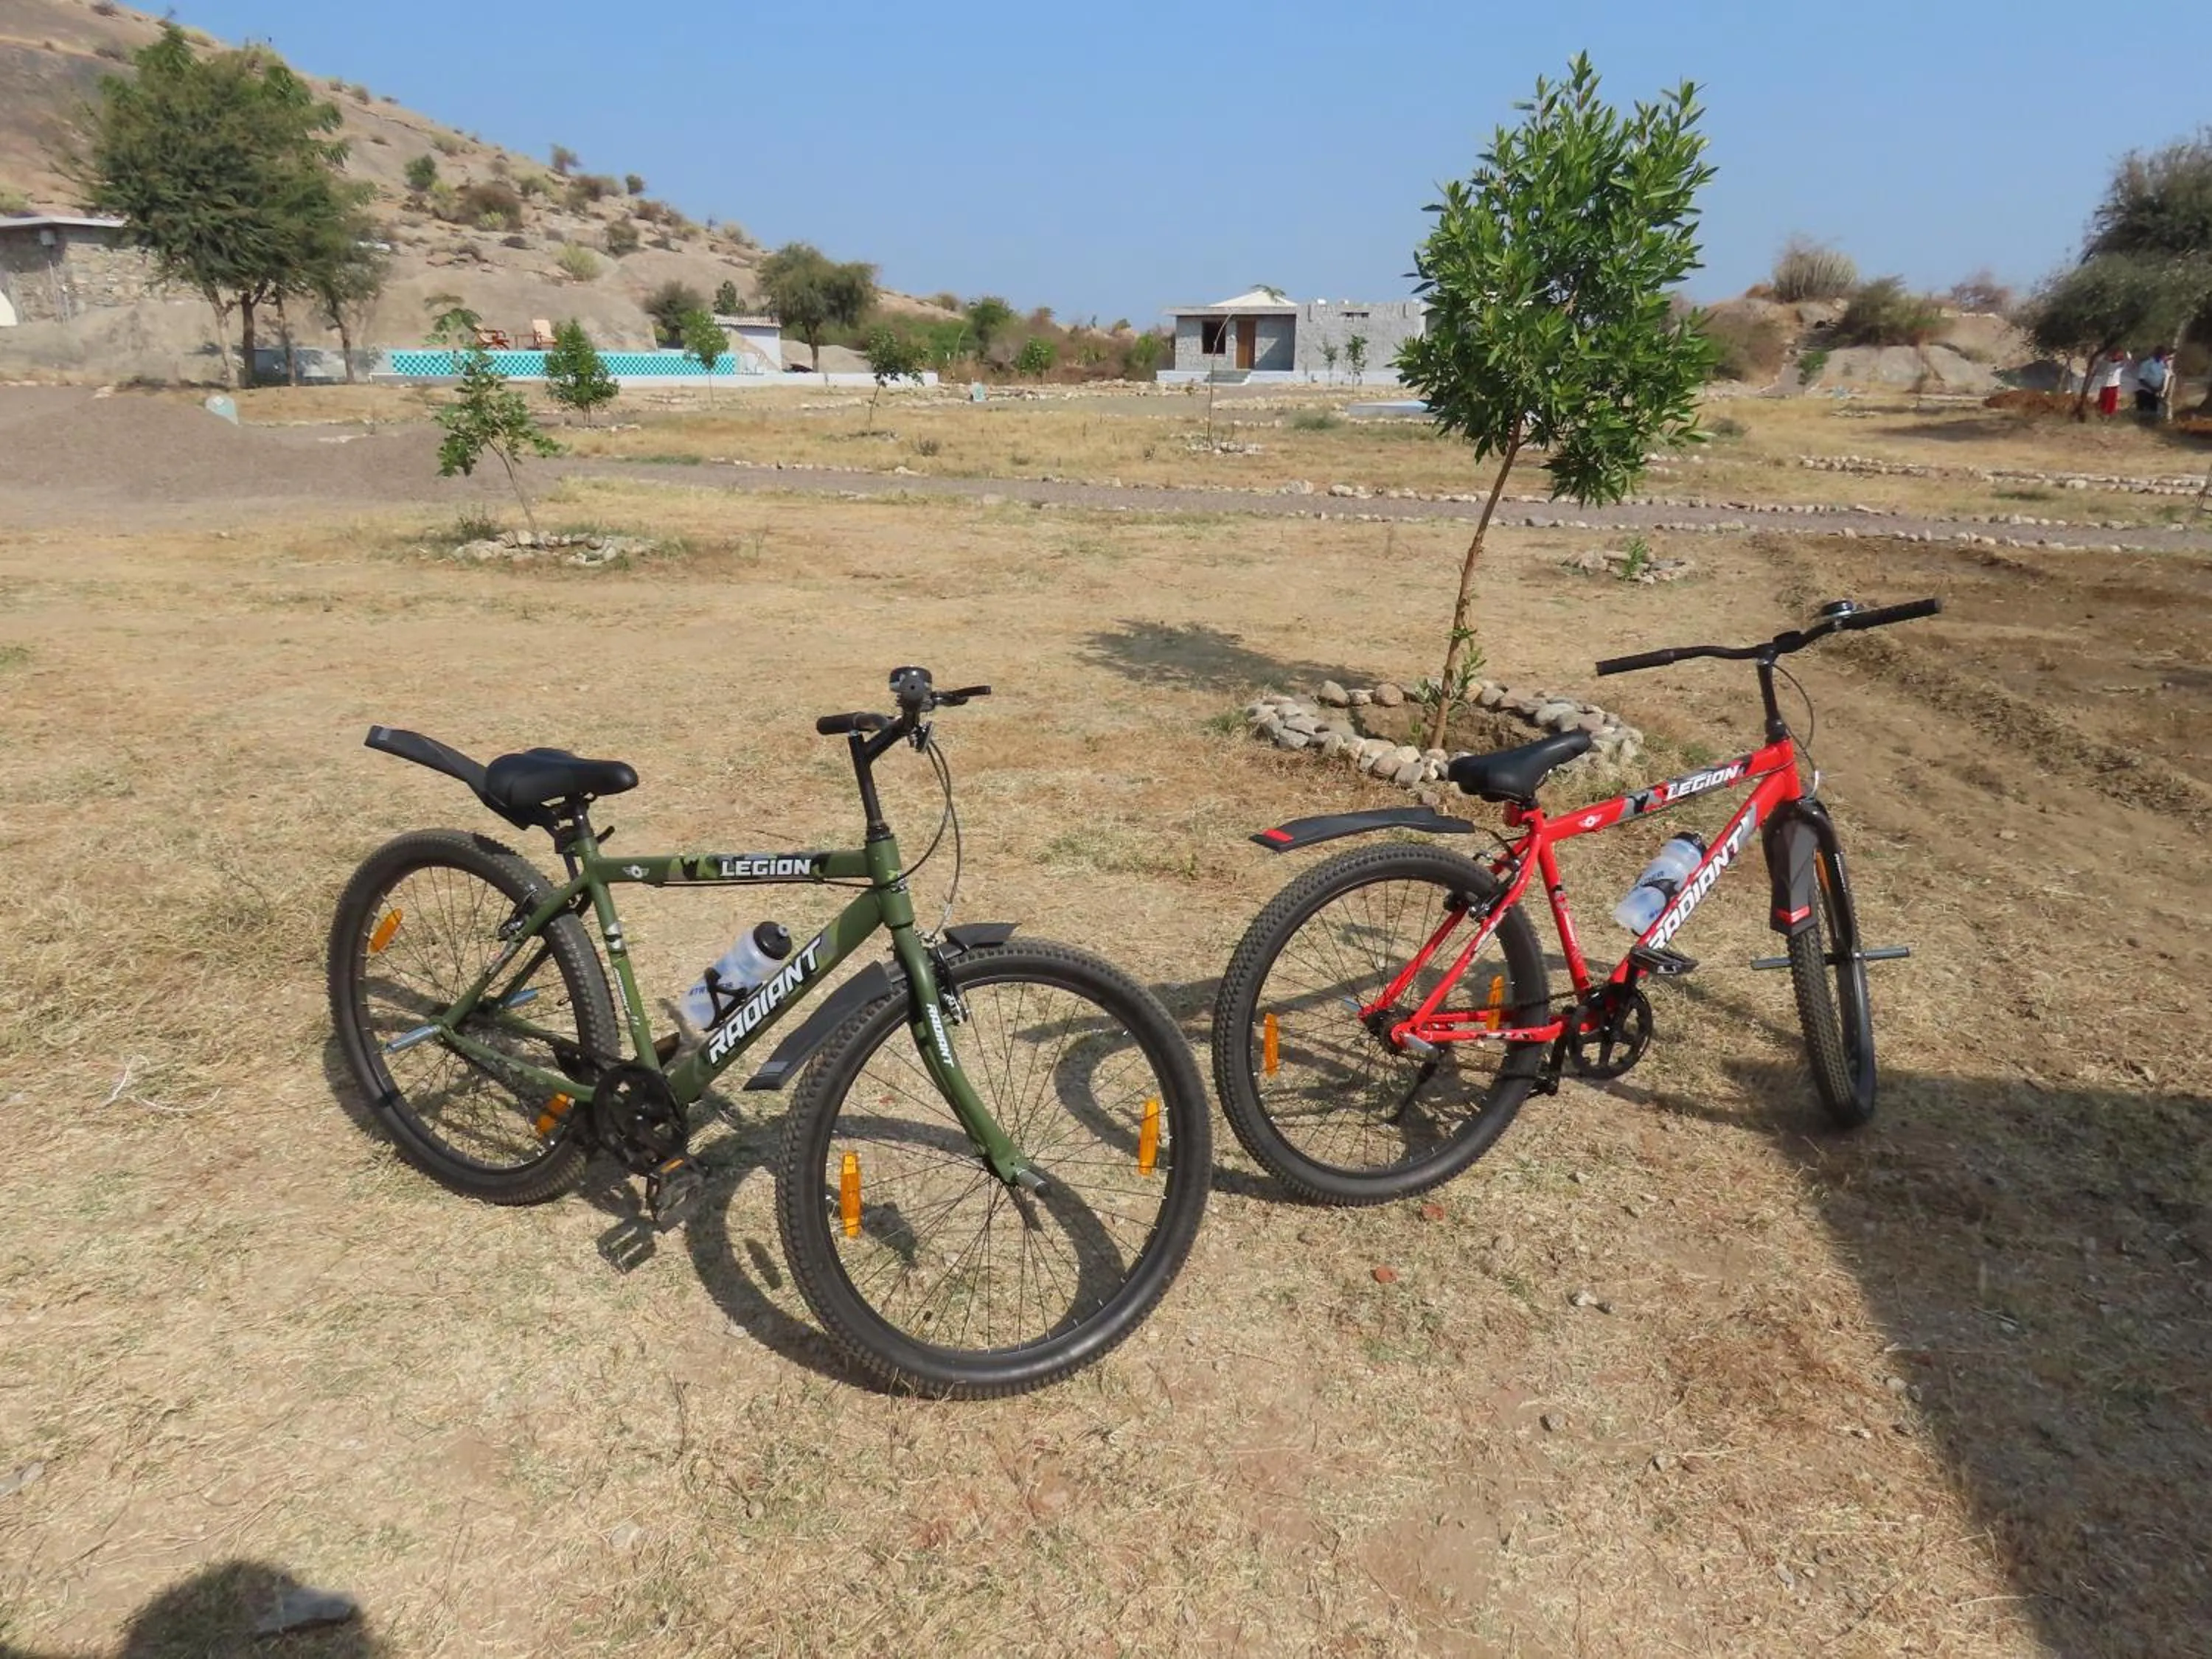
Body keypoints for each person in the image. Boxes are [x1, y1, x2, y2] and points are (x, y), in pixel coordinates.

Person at [2136, 346, 2173, 416]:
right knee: (2143, 412)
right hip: (2145, 391)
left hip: (2156, 392)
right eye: (2161, 354)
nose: (2163, 356)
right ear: (2156, 353)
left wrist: (2161, 387)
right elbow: (2141, 379)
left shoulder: (2162, 365)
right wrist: (2152, 388)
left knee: (2153, 412)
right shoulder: (2146, 364)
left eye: (2163, 354)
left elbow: (2164, 377)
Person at [2094, 349, 2129, 417]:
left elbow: (2128, 360)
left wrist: (2126, 349)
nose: (2115, 357)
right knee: (2103, 404)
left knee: (2111, 405)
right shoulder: (2105, 364)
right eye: (2114, 355)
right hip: (2105, 386)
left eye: (2117, 356)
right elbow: (2099, 360)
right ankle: (2102, 416)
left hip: (2114, 387)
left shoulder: (2120, 365)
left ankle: (2108, 417)